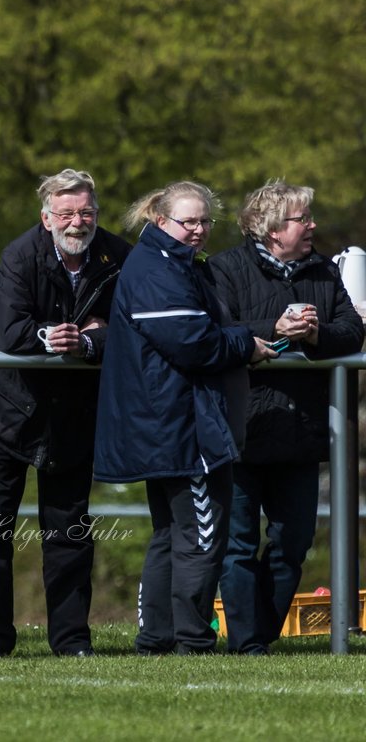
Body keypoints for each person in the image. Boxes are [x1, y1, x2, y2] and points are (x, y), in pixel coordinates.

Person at [94, 181, 276, 655]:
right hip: (180, 424)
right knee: (200, 536)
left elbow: (205, 329)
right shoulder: (157, 268)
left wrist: (252, 334)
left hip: (171, 421)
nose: (198, 230)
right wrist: (245, 346)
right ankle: (191, 641)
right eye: (188, 221)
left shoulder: (172, 263)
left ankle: (157, 639)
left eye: (204, 221)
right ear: (161, 222)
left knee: (170, 535)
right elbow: (191, 342)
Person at [0, 169, 131, 659]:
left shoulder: (119, 257)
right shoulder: (20, 255)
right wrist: (47, 337)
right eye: (67, 213)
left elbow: (131, 328)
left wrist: (89, 340)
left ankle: (73, 641)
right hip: (3, 414)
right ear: (46, 217)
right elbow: (10, 330)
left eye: (86, 212)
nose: (77, 222)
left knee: (71, 534)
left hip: (72, 415)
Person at [212, 181, 364, 655]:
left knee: (292, 544)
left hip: (301, 431)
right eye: (303, 218)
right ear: (272, 229)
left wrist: (316, 336)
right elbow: (215, 330)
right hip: (241, 428)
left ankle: (262, 633)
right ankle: (247, 644)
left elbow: (352, 332)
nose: (313, 225)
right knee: (237, 546)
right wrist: (272, 328)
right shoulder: (225, 269)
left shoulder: (323, 270)